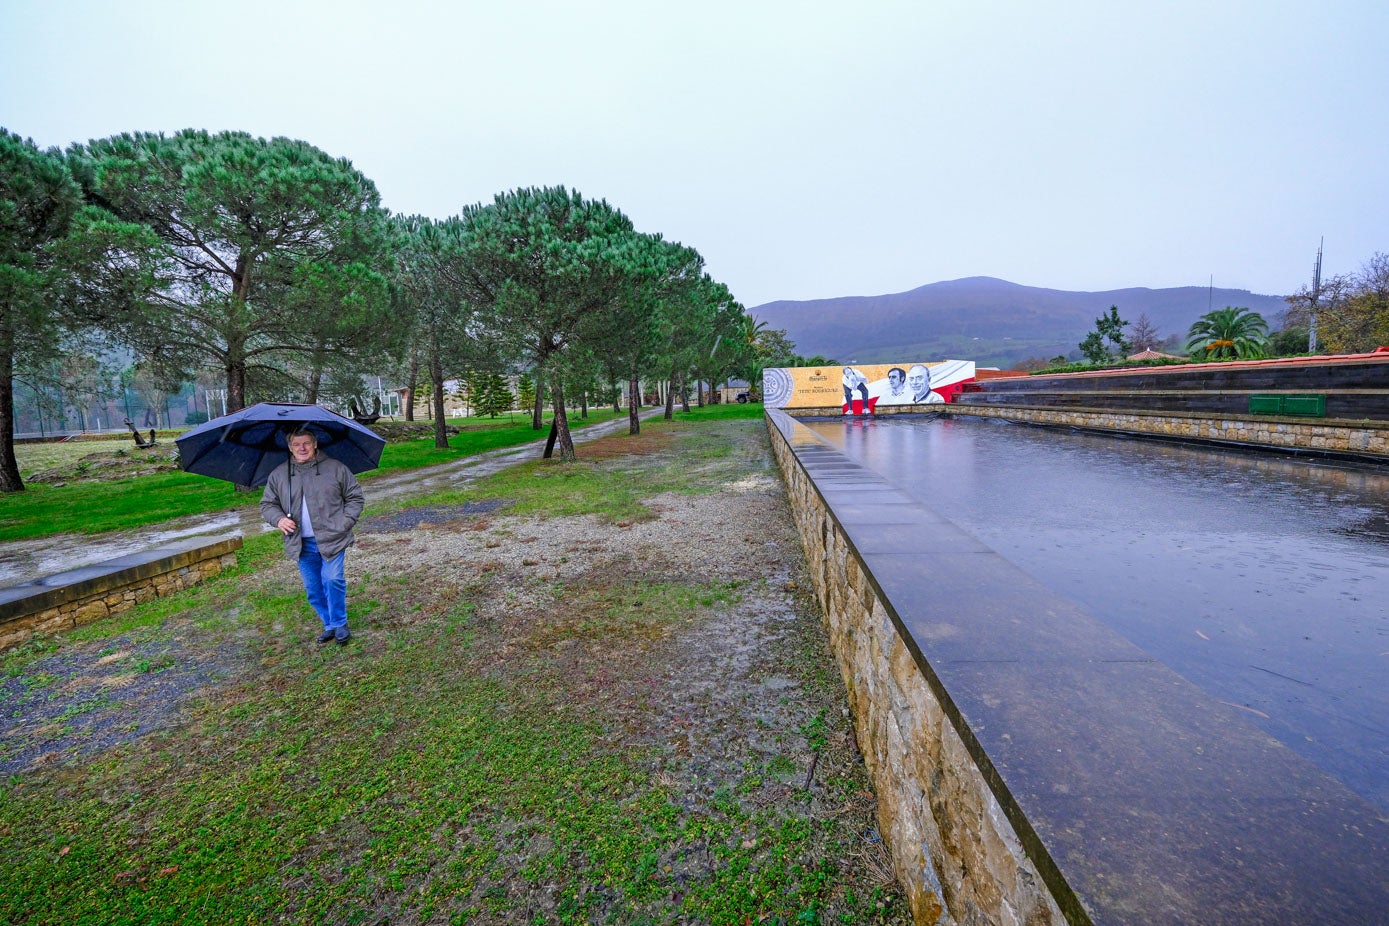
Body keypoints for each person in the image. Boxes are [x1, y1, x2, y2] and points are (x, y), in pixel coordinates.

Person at [260, 427, 365, 645]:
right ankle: (329, 624)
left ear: (315, 443)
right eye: (296, 444)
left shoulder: (335, 468)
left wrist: (343, 523)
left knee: (332, 579)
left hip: (332, 539)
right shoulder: (280, 474)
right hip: (301, 543)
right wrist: (279, 519)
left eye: (306, 443)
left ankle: (339, 623)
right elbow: (268, 504)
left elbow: (355, 497)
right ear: (289, 447)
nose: (302, 448)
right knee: (314, 590)